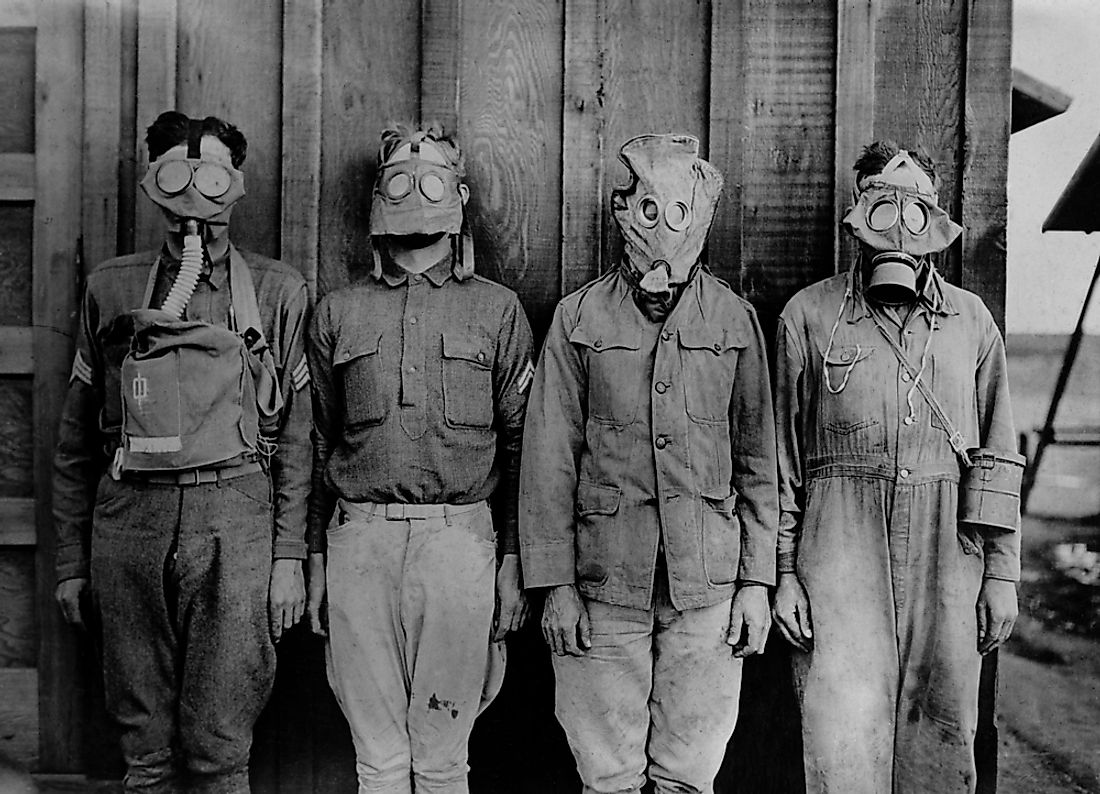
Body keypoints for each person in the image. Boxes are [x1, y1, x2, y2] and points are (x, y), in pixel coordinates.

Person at [52, 111, 312, 794]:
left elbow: (301, 443)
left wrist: (287, 558)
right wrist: (71, 562)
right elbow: (76, 438)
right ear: (153, 182)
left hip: (237, 523)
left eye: (212, 174)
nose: (194, 193)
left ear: (237, 184)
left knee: (221, 743)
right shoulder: (112, 287)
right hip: (129, 522)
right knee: (144, 744)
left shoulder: (279, 294)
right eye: (176, 172)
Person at [519, 133, 778, 793]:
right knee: (607, 775)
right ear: (623, 211)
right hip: (603, 582)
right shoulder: (579, 318)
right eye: (647, 208)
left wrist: (756, 583)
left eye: (680, 210)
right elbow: (548, 458)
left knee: (689, 774)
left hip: (708, 587)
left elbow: (757, 461)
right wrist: (556, 585)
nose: (662, 227)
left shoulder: (734, 321)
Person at [772, 140, 1020, 793]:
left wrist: (1001, 575)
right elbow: (781, 463)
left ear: (934, 223)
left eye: (916, 212)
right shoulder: (809, 316)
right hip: (836, 555)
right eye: (881, 206)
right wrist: (783, 576)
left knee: (941, 741)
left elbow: (996, 454)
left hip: (948, 556)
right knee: (840, 742)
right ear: (857, 216)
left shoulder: (972, 323)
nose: (899, 230)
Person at [305, 123, 534, 794]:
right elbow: (316, 443)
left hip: (459, 545)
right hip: (360, 545)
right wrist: (315, 564)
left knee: (441, 760)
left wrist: (516, 566)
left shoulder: (497, 311)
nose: (415, 189)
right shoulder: (338, 313)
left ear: (458, 194)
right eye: (399, 178)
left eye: (431, 176)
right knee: (377, 760)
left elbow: (523, 448)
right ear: (378, 196)